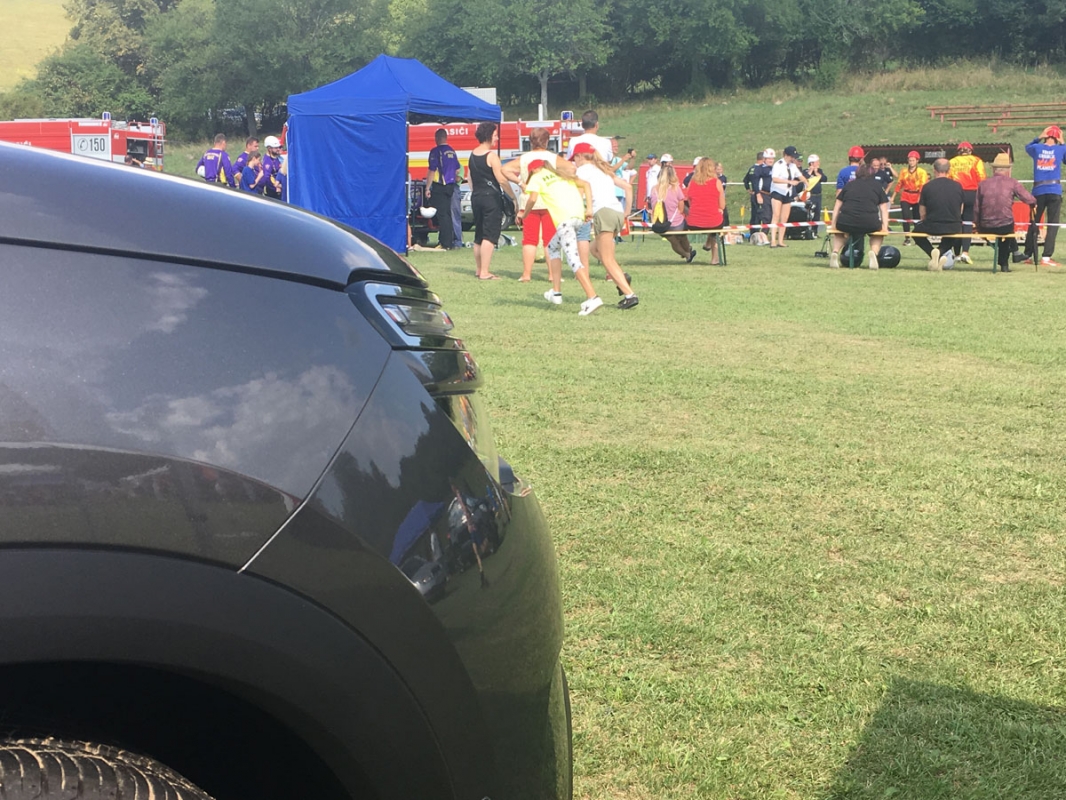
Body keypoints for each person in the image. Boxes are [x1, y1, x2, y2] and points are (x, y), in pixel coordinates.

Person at [517, 159, 605, 316]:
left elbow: (532, 199)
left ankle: (593, 297)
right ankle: (556, 292)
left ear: (533, 170)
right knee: (552, 247)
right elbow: (586, 185)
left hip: (564, 221)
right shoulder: (561, 174)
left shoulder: (537, 177)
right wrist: (589, 209)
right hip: (578, 217)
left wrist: (524, 214)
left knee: (573, 260)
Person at [503, 127, 576, 282]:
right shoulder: (552, 157)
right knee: (550, 239)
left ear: (530, 141)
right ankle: (552, 275)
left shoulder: (524, 158)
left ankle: (526, 274)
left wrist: (520, 182)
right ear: (547, 141)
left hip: (529, 202)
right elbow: (571, 168)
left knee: (529, 239)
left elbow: (505, 169)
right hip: (549, 202)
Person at [571, 143, 639, 309]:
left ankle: (630, 295)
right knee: (595, 249)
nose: (574, 162)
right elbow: (628, 187)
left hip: (603, 212)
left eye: (575, 158)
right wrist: (626, 212)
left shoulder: (582, 171)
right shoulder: (603, 169)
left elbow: (579, 195)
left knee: (607, 259)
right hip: (616, 212)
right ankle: (621, 276)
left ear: (580, 156)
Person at [468, 122, 517, 280]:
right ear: (489, 136)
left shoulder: (472, 155)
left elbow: (470, 178)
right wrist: (513, 197)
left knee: (478, 235)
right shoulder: (491, 156)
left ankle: (479, 269)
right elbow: (501, 180)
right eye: (495, 135)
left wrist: (476, 191)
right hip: (491, 199)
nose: (497, 138)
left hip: (477, 197)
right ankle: (485, 272)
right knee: (489, 235)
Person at [974, 153, 1035, 273]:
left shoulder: (983, 184)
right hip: (1004, 225)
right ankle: (1004, 264)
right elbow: (1029, 199)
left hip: (985, 225)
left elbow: (976, 208)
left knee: (1004, 228)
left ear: (993, 169)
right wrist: (1034, 203)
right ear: (1008, 169)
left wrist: (977, 224)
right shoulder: (1012, 183)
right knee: (1006, 228)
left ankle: (1013, 255)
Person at [828, 162, 890, 270]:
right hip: (869, 222)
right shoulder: (877, 186)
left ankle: (835, 251)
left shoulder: (849, 185)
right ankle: (874, 252)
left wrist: (834, 224)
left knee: (840, 233)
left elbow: (837, 206)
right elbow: (883, 209)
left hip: (846, 221)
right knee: (878, 234)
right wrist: (885, 226)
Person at [1022, 125, 1066, 267]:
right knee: (1052, 224)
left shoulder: (1037, 148)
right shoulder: (1061, 149)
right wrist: (1063, 142)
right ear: (1057, 137)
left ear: (1046, 136)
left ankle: (1027, 255)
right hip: (1054, 190)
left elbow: (1027, 147)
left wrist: (1038, 137)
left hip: (1038, 190)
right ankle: (1046, 257)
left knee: (1034, 223)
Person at [912, 158, 965, 272]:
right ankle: (940, 251)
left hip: (932, 225)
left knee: (915, 233)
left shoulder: (927, 186)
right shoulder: (958, 186)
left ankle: (932, 253)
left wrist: (925, 220)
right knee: (954, 234)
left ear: (934, 170)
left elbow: (922, 212)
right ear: (949, 171)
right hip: (953, 226)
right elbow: (961, 209)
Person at [948, 141, 986, 263]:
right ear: (970, 150)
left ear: (959, 151)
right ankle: (965, 252)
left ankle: (956, 253)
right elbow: (982, 178)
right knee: (968, 223)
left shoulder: (952, 162)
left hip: (956, 193)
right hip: (971, 193)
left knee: (957, 222)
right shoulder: (976, 160)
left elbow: (948, 179)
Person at [684, 157, 726, 264]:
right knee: (717, 222)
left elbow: (690, 202)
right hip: (713, 222)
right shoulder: (717, 182)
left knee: (712, 222)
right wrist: (719, 209)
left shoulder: (692, 183)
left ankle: (707, 244)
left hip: (693, 223)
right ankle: (714, 258)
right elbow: (722, 205)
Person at [650, 162, 695, 262]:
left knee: (673, 242)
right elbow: (681, 209)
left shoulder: (653, 189)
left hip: (660, 224)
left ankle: (687, 254)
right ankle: (688, 251)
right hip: (676, 224)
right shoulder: (675, 188)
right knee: (683, 236)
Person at [425, 128, 461, 250]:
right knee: (448, 214)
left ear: (437, 138)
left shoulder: (436, 151)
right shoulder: (452, 151)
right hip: (451, 186)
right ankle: (449, 241)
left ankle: (445, 243)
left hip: (440, 186)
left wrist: (427, 188)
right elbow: (457, 169)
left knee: (442, 215)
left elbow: (432, 170)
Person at [769, 146, 804, 247]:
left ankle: (780, 241)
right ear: (786, 155)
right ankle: (773, 240)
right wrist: (789, 181)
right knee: (776, 215)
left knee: (784, 218)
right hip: (777, 191)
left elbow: (800, 176)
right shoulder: (778, 165)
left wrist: (807, 182)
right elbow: (775, 179)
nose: (793, 159)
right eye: (792, 156)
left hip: (787, 193)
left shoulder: (793, 166)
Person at [892, 151, 928, 245]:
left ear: (917, 161)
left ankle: (918, 237)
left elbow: (922, 186)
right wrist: (893, 197)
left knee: (917, 217)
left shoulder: (922, 172)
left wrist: (920, 198)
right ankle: (907, 238)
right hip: (906, 195)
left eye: (913, 160)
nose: (911, 162)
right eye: (910, 160)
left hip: (917, 195)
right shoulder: (904, 171)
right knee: (905, 217)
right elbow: (899, 184)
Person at [750, 149, 774, 244]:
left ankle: (764, 235)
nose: (771, 160)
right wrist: (758, 194)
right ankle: (758, 237)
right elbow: (755, 182)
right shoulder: (759, 169)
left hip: (770, 195)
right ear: (764, 159)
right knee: (763, 216)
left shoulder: (774, 169)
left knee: (769, 216)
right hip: (762, 194)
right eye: (769, 158)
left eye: (772, 158)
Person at [804, 154, 826, 234]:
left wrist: (816, 173)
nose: (818, 163)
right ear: (812, 163)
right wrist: (810, 172)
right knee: (808, 213)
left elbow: (824, 179)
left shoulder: (819, 171)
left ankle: (815, 231)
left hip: (818, 196)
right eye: (817, 162)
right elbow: (804, 178)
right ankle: (807, 230)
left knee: (817, 214)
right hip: (810, 196)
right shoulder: (805, 171)